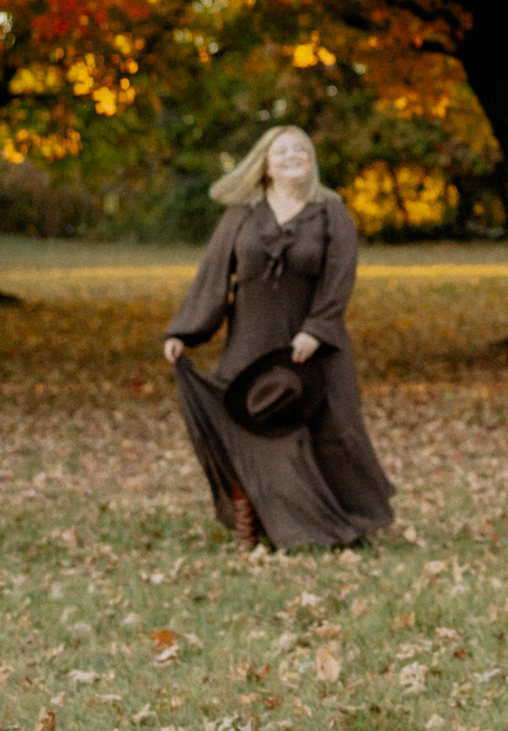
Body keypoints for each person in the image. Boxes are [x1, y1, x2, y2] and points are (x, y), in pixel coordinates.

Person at [164, 125, 396, 550]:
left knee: (335, 432)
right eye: (282, 151)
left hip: (315, 347)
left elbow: (339, 278)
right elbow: (213, 276)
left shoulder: (332, 213)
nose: (292, 156)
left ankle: (343, 522)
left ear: (311, 161)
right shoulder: (241, 216)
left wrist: (317, 329)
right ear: (265, 164)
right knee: (254, 428)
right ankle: (259, 522)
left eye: (301, 150)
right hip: (251, 344)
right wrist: (185, 331)